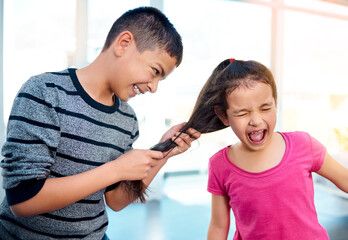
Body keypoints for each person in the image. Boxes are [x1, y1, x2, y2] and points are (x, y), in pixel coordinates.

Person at [0, 6, 200, 239]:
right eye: (155, 71)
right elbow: (23, 200)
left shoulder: (127, 119)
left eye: (161, 80)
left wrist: (163, 151)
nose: (154, 87)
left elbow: (115, 200)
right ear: (123, 44)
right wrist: (115, 169)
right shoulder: (44, 92)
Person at [186, 58, 348, 239]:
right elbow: (218, 226)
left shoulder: (304, 145)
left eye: (265, 108)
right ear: (224, 116)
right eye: (242, 113)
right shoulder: (219, 165)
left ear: (275, 104)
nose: (256, 120)